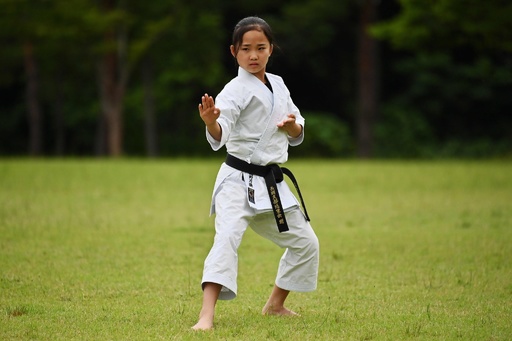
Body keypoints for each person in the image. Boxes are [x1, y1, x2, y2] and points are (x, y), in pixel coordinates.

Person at [192, 16, 319, 331]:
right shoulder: (234, 91)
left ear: (270, 49)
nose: (253, 55)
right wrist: (211, 122)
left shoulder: (277, 84)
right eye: (246, 49)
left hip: (270, 184)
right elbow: (222, 129)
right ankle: (205, 317)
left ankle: (275, 305)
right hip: (236, 182)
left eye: (260, 48)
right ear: (233, 51)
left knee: (306, 242)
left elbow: (296, 121)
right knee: (226, 240)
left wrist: (292, 126)